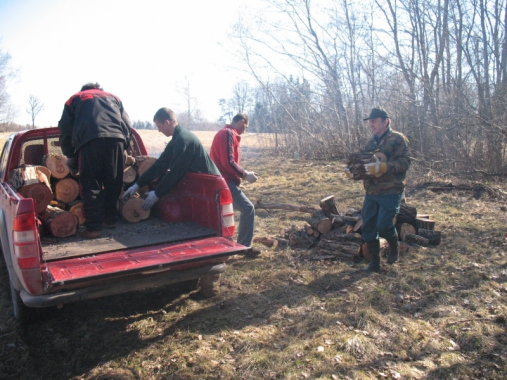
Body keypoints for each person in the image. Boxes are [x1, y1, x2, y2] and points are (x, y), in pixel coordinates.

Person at [58, 82, 132, 239]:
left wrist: (70, 155)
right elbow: (127, 124)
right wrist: (125, 146)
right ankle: (110, 220)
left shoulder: (75, 99)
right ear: (100, 90)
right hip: (116, 140)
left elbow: (65, 130)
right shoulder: (114, 98)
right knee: (114, 181)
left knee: (91, 183)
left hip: (90, 141)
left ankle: (93, 228)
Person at [123, 107, 220, 209]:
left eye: (159, 126)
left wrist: (157, 194)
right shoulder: (177, 139)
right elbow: (160, 164)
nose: (159, 130)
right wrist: (138, 184)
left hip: (212, 186)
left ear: (167, 122)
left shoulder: (183, 140)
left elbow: (176, 171)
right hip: (203, 187)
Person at [356, 107, 410, 272]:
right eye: (370, 121)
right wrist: (354, 171)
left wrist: (385, 167)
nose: (371, 124)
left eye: (374, 121)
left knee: (384, 225)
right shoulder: (371, 142)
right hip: (372, 191)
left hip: (391, 190)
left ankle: (394, 247)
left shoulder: (397, 139)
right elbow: (364, 164)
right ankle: (374, 264)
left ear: (385, 121)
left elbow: (405, 162)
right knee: (368, 227)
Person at [210, 113, 261, 257]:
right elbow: (228, 161)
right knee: (248, 208)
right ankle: (244, 247)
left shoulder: (224, 133)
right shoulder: (228, 133)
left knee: (222, 215)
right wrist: (244, 175)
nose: (245, 130)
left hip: (221, 180)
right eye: (246, 127)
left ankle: (220, 247)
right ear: (242, 122)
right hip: (224, 182)